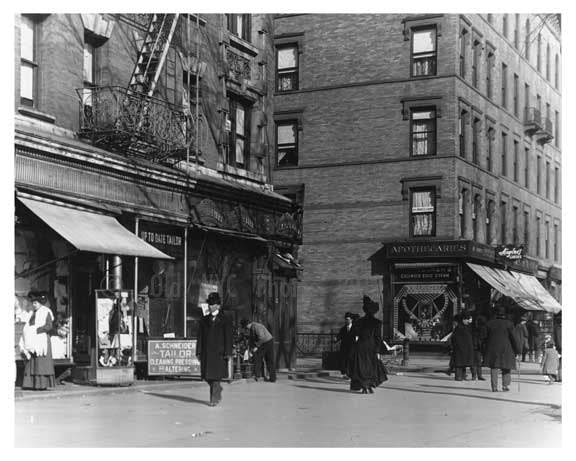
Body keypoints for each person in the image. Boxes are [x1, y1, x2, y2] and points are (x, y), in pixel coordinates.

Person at [196, 292, 233, 406]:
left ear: (218, 305)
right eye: (209, 304)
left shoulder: (225, 320)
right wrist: (198, 351)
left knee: (216, 377)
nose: (210, 307)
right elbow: (200, 336)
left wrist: (228, 352)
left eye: (212, 304)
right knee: (207, 376)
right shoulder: (204, 320)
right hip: (207, 352)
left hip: (219, 353)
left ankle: (214, 399)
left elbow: (228, 337)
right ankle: (218, 390)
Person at [347, 296, 388, 394]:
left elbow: (352, 335)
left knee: (361, 367)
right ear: (374, 311)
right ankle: (368, 385)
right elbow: (378, 338)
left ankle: (365, 386)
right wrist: (378, 350)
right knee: (371, 367)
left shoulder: (359, 322)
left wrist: (355, 342)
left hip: (360, 346)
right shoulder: (377, 323)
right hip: (371, 347)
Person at [19, 292, 56, 390]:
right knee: (32, 361)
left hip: (42, 339)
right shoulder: (33, 313)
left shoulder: (46, 311)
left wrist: (36, 330)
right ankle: (31, 384)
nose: (34, 305)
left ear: (40, 303)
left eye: (35, 303)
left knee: (41, 362)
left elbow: (49, 326)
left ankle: (41, 384)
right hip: (33, 340)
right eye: (33, 303)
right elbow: (29, 324)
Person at [483, 305, 519, 392]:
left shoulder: (489, 323)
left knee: (494, 367)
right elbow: (514, 338)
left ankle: (494, 387)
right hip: (507, 348)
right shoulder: (509, 324)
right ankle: (505, 386)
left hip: (493, 348)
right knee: (506, 367)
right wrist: (517, 350)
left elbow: (484, 337)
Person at [241, 318, 276, 382]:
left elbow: (261, 337)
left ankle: (258, 375)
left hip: (267, 342)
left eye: (246, 326)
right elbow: (252, 339)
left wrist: (256, 346)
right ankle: (271, 378)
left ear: (248, 324)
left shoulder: (257, 327)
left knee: (259, 357)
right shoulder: (252, 328)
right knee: (268, 359)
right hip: (265, 342)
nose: (246, 328)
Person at [450, 312, 475, 381]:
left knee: (463, 363)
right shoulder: (459, 328)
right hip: (460, 349)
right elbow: (455, 339)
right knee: (459, 364)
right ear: (463, 320)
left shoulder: (466, 327)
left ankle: (462, 376)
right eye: (466, 319)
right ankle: (458, 376)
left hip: (465, 349)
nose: (468, 321)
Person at [334, 312, 357, 377]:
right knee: (343, 360)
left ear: (351, 320)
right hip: (344, 347)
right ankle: (344, 373)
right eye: (346, 319)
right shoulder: (343, 328)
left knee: (351, 360)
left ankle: (350, 374)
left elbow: (358, 336)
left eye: (348, 319)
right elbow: (340, 335)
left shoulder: (355, 328)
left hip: (352, 347)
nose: (346, 321)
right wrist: (336, 339)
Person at [471, 315, 488, 381]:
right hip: (479, 347)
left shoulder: (473, 328)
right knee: (478, 362)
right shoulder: (484, 329)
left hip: (474, 346)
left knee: (473, 362)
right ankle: (479, 375)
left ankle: (474, 376)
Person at [553, 313, 562, 382]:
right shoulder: (557, 328)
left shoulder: (556, 328)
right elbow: (557, 338)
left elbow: (556, 338)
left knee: (559, 362)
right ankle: (559, 377)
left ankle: (559, 377)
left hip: (559, 347)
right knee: (559, 363)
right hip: (559, 347)